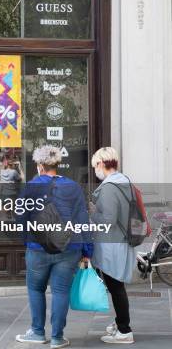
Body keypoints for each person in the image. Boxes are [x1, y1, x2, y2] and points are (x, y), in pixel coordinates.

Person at [15, 145, 93, 349]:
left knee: (35, 288)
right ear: (57, 164)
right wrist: (87, 250)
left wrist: (27, 239)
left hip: (38, 247)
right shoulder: (73, 187)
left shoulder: (30, 187)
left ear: (40, 165)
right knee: (60, 291)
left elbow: (20, 217)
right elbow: (83, 219)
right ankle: (58, 337)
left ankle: (38, 332)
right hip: (69, 247)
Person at [90, 147, 135, 344]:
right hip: (122, 242)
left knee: (116, 287)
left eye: (95, 166)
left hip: (112, 245)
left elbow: (108, 219)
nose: (94, 170)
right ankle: (121, 323)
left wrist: (92, 212)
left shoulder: (109, 188)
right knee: (117, 286)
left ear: (101, 164)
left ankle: (124, 330)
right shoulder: (125, 182)